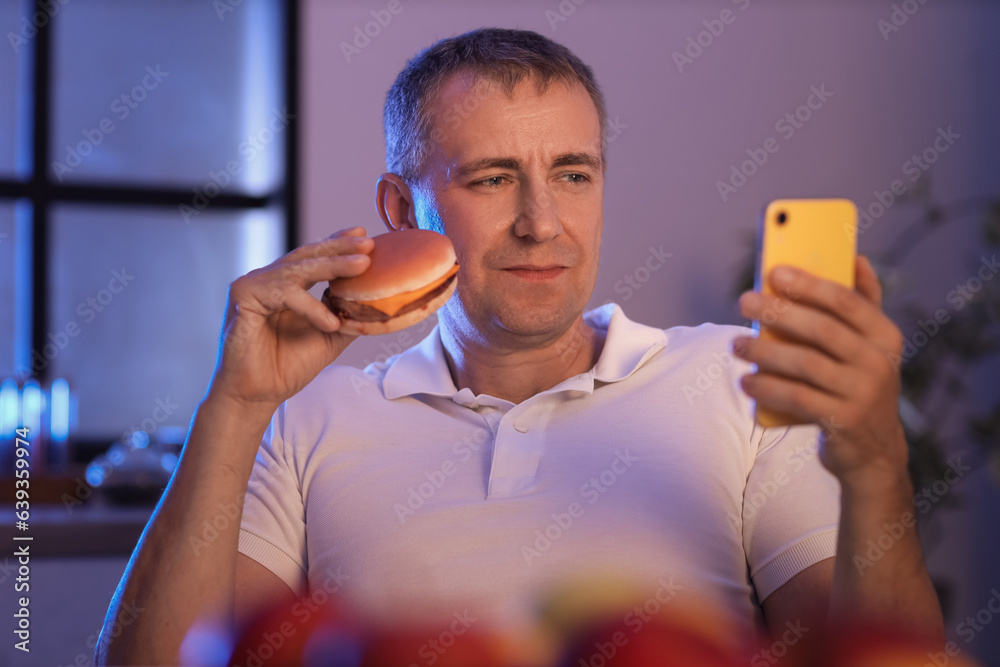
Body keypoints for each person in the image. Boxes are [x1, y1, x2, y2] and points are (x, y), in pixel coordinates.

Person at [96, 27, 944, 664]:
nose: (543, 223)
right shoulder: (303, 418)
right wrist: (236, 407)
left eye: (573, 174)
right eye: (493, 178)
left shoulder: (740, 377)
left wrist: (875, 463)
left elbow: (876, 655)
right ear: (401, 211)